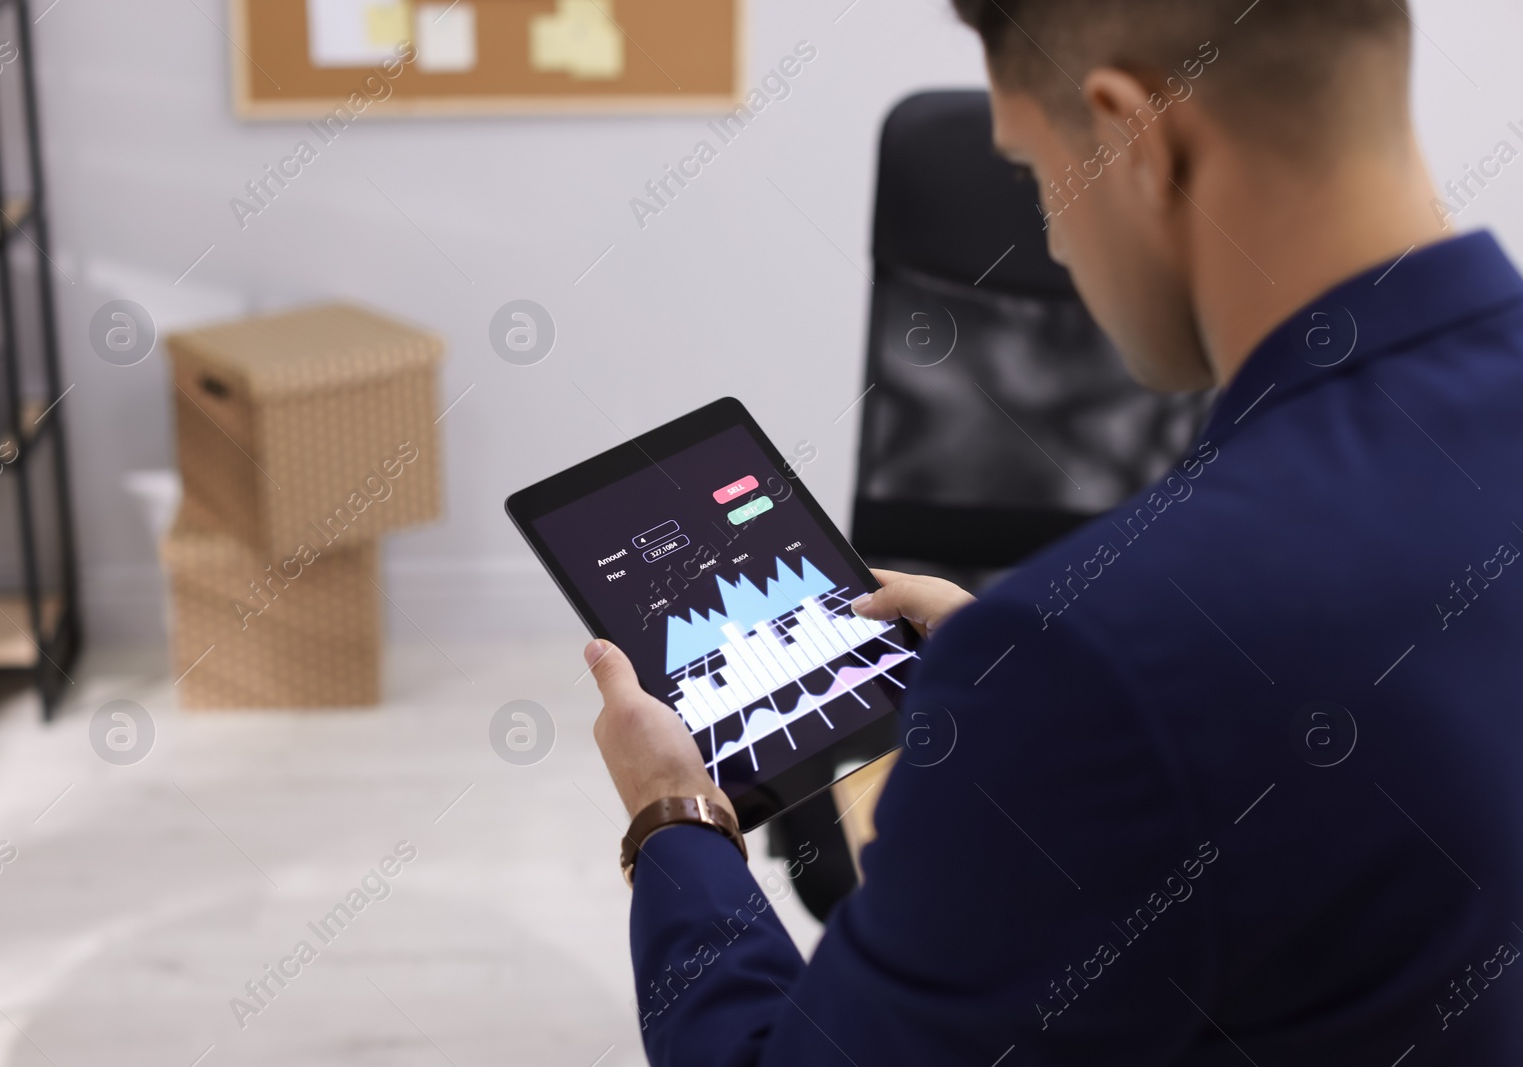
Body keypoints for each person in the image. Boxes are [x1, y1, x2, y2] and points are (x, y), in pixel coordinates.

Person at [585, 0, 1523, 1061]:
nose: (1057, 243)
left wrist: (673, 821)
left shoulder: (1101, 659)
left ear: (1135, 137)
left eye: (1035, 178)